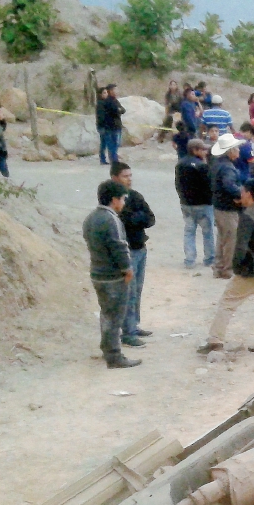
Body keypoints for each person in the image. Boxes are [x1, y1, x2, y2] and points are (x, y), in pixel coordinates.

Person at [198, 178, 254, 356]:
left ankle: (215, 340)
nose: (240, 194)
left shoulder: (248, 216)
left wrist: (236, 267)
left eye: (243, 191)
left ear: (249, 194)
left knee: (227, 302)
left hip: (251, 270)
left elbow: (241, 247)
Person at [84, 180, 139, 368]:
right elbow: (119, 247)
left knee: (106, 313)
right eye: (122, 199)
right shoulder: (111, 219)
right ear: (114, 200)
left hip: (97, 274)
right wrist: (128, 269)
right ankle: (114, 356)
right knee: (115, 316)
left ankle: (107, 348)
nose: (123, 203)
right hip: (113, 276)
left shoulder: (91, 218)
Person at [110, 162, 155, 345]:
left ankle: (133, 325)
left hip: (140, 248)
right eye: (125, 176)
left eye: (130, 175)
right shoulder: (113, 198)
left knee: (137, 289)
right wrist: (137, 218)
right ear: (115, 178)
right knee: (129, 292)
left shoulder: (135, 196)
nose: (129, 179)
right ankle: (128, 332)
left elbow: (150, 218)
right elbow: (123, 220)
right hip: (127, 250)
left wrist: (137, 218)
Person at [175, 138, 215, 269]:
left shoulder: (180, 164)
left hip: (186, 204)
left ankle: (190, 259)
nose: (205, 152)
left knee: (189, 231)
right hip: (203, 204)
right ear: (195, 150)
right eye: (203, 149)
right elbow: (208, 185)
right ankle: (209, 258)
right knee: (207, 232)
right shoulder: (202, 166)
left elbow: (177, 184)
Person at [210, 133, 244, 279]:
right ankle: (227, 269)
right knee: (231, 239)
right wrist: (239, 196)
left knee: (222, 238)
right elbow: (229, 186)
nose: (238, 151)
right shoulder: (228, 168)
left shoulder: (217, 164)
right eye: (236, 149)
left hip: (219, 206)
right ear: (230, 151)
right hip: (228, 208)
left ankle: (218, 266)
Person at [98, 84, 125, 165]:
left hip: (117, 126)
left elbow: (122, 110)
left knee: (116, 144)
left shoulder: (115, 100)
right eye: (114, 90)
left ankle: (113, 160)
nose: (116, 92)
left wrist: (118, 110)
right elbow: (114, 111)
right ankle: (113, 161)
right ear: (111, 91)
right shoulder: (107, 101)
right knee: (111, 145)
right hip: (109, 126)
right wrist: (118, 110)